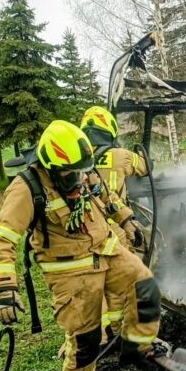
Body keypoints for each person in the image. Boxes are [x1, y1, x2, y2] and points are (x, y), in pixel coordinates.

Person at [0, 120, 164, 371]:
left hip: (106, 249)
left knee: (145, 287)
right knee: (86, 334)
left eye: (84, 171)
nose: (81, 179)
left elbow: (108, 198)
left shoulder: (83, 170)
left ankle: (137, 349)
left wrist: (127, 222)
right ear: (51, 166)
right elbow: (3, 239)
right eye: (72, 174)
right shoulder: (26, 189)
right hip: (69, 267)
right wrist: (4, 287)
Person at [79, 106, 153, 341]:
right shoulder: (121, 155)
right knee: (123, 279)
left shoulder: (78, 159)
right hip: (116, 227)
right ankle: (122, 331)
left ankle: (96, 336)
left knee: (91, 283)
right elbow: (146, 168)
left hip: (84, 230)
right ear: (109, 130)